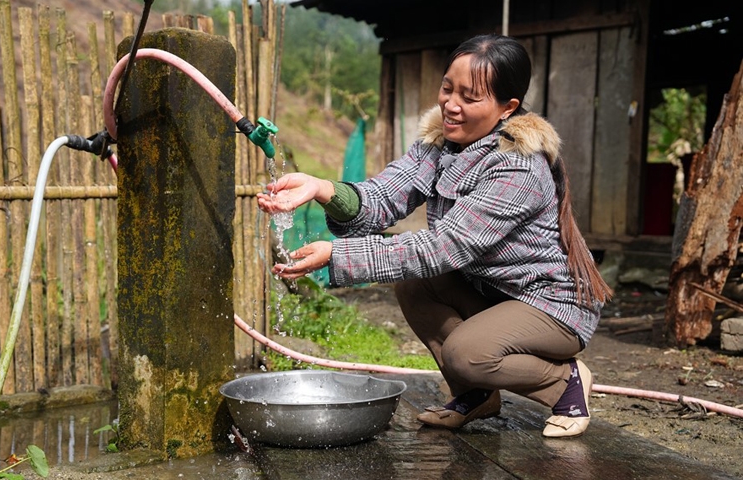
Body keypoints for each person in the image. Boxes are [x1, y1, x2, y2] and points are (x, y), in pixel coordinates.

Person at [256, 33, 613, 438]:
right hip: (496, 295)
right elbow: (384, 198)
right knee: (414, 285)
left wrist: (337, 257)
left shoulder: (518, 167)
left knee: (466, 353)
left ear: (506, 108)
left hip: (550, 305)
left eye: (470, 97)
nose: (451, 105)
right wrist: (321, 187)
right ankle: (476, 395)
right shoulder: (442, 144)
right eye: (448, 88)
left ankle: (562, 382)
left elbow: (448, 246)